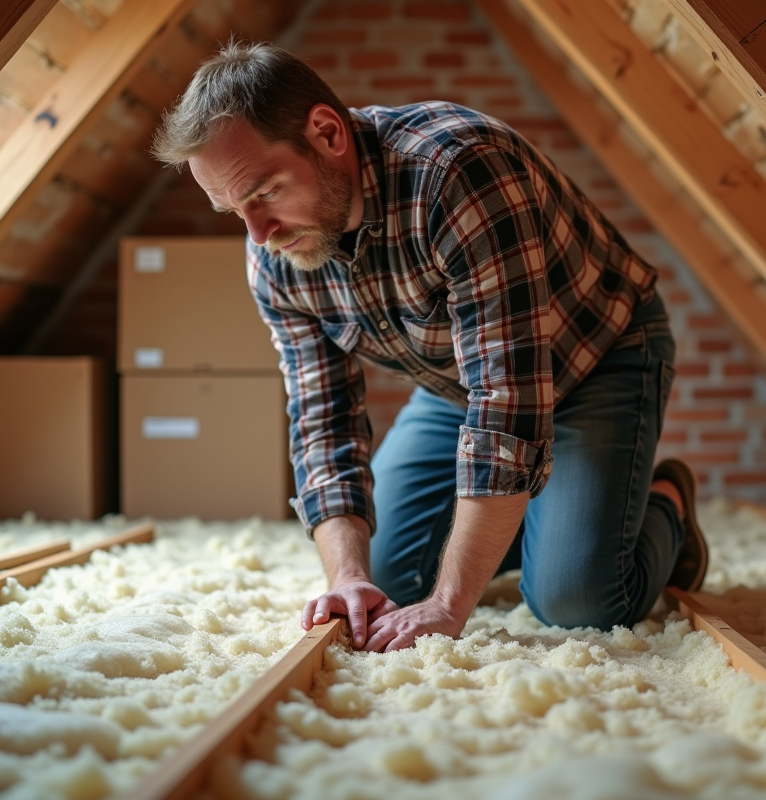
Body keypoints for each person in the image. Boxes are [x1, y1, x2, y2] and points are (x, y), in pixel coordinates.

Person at [152, 41, 708, 653]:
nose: (259, 234)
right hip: (459, 384)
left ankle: (664, 501)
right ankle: (544, 518)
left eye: (264, 193)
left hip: (600, 354)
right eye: (234, 210)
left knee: (578, 603)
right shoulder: (277, 256)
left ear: (327, 132)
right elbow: (322, 420)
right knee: (385, 580)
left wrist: (449, 604)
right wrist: (349, 578)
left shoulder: (458, 172)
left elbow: (507, 408)